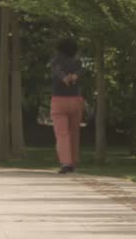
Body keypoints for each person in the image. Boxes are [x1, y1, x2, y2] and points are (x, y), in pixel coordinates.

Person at [50, 38, 84, 174]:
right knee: (74, 132)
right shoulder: (78, 62)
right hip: (75, 99)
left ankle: (66, 162)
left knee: (62, 134)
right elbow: (79, 74)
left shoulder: (55, 61)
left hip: (58, 99)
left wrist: (64, 78)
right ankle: (74, 161)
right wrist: (73, 77)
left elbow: (58, 72)